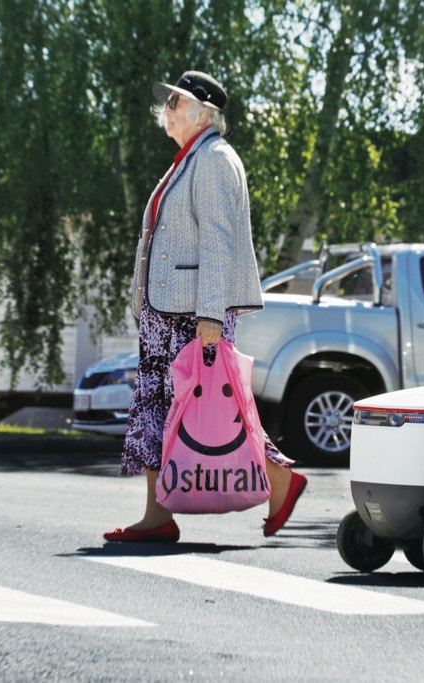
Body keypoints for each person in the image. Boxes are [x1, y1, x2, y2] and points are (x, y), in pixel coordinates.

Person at [103, 70, 306, 543]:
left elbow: (218, 240)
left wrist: (211, 316)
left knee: (208, 408)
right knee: (158, 407)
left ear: (203, 112)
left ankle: (279, 480)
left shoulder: (214, 158)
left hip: (192, 314)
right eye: (170, 100)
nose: (167, 107)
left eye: (176, 101)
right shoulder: (188, 160)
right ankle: (156, 515)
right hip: (168, 310)